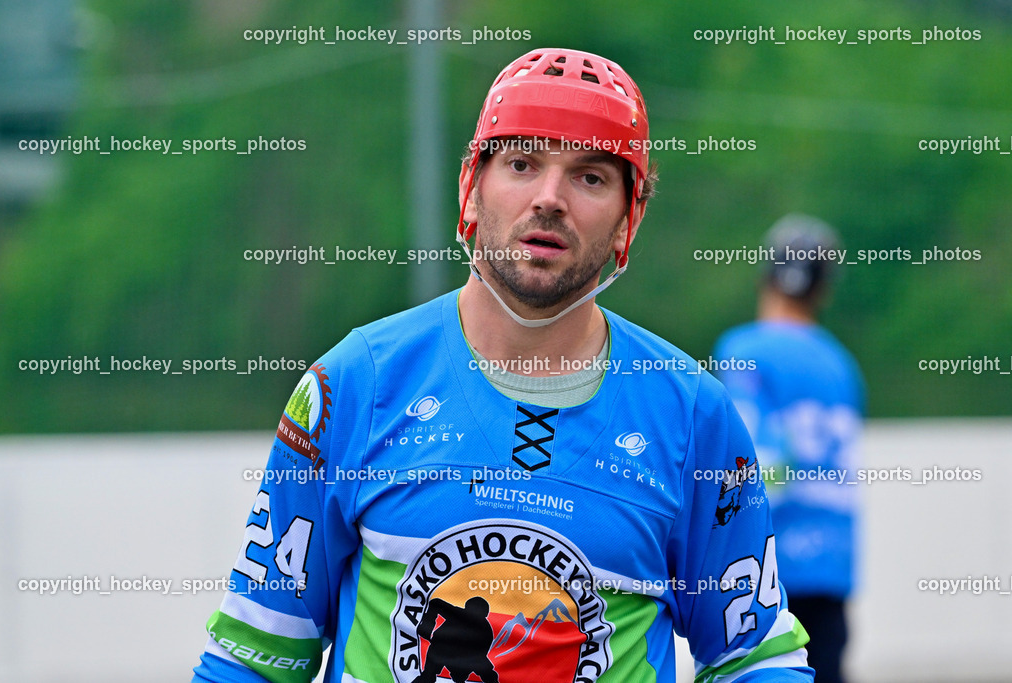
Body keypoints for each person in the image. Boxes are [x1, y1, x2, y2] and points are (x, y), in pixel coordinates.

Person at [192, 48, 813, 683]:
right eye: (522, 163)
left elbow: (757, 659)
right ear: (471, 185)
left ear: (630, 220)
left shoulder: (690, 415)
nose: (550, 198)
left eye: (590, 177)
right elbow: (255, 658)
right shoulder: (355, 385)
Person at [713, 214, 865, 683]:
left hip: (768, 572)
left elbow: (755, 461)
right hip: (832, 563)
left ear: (766, 275)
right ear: (823, 288)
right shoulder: (841, 363)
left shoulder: (743, 347)